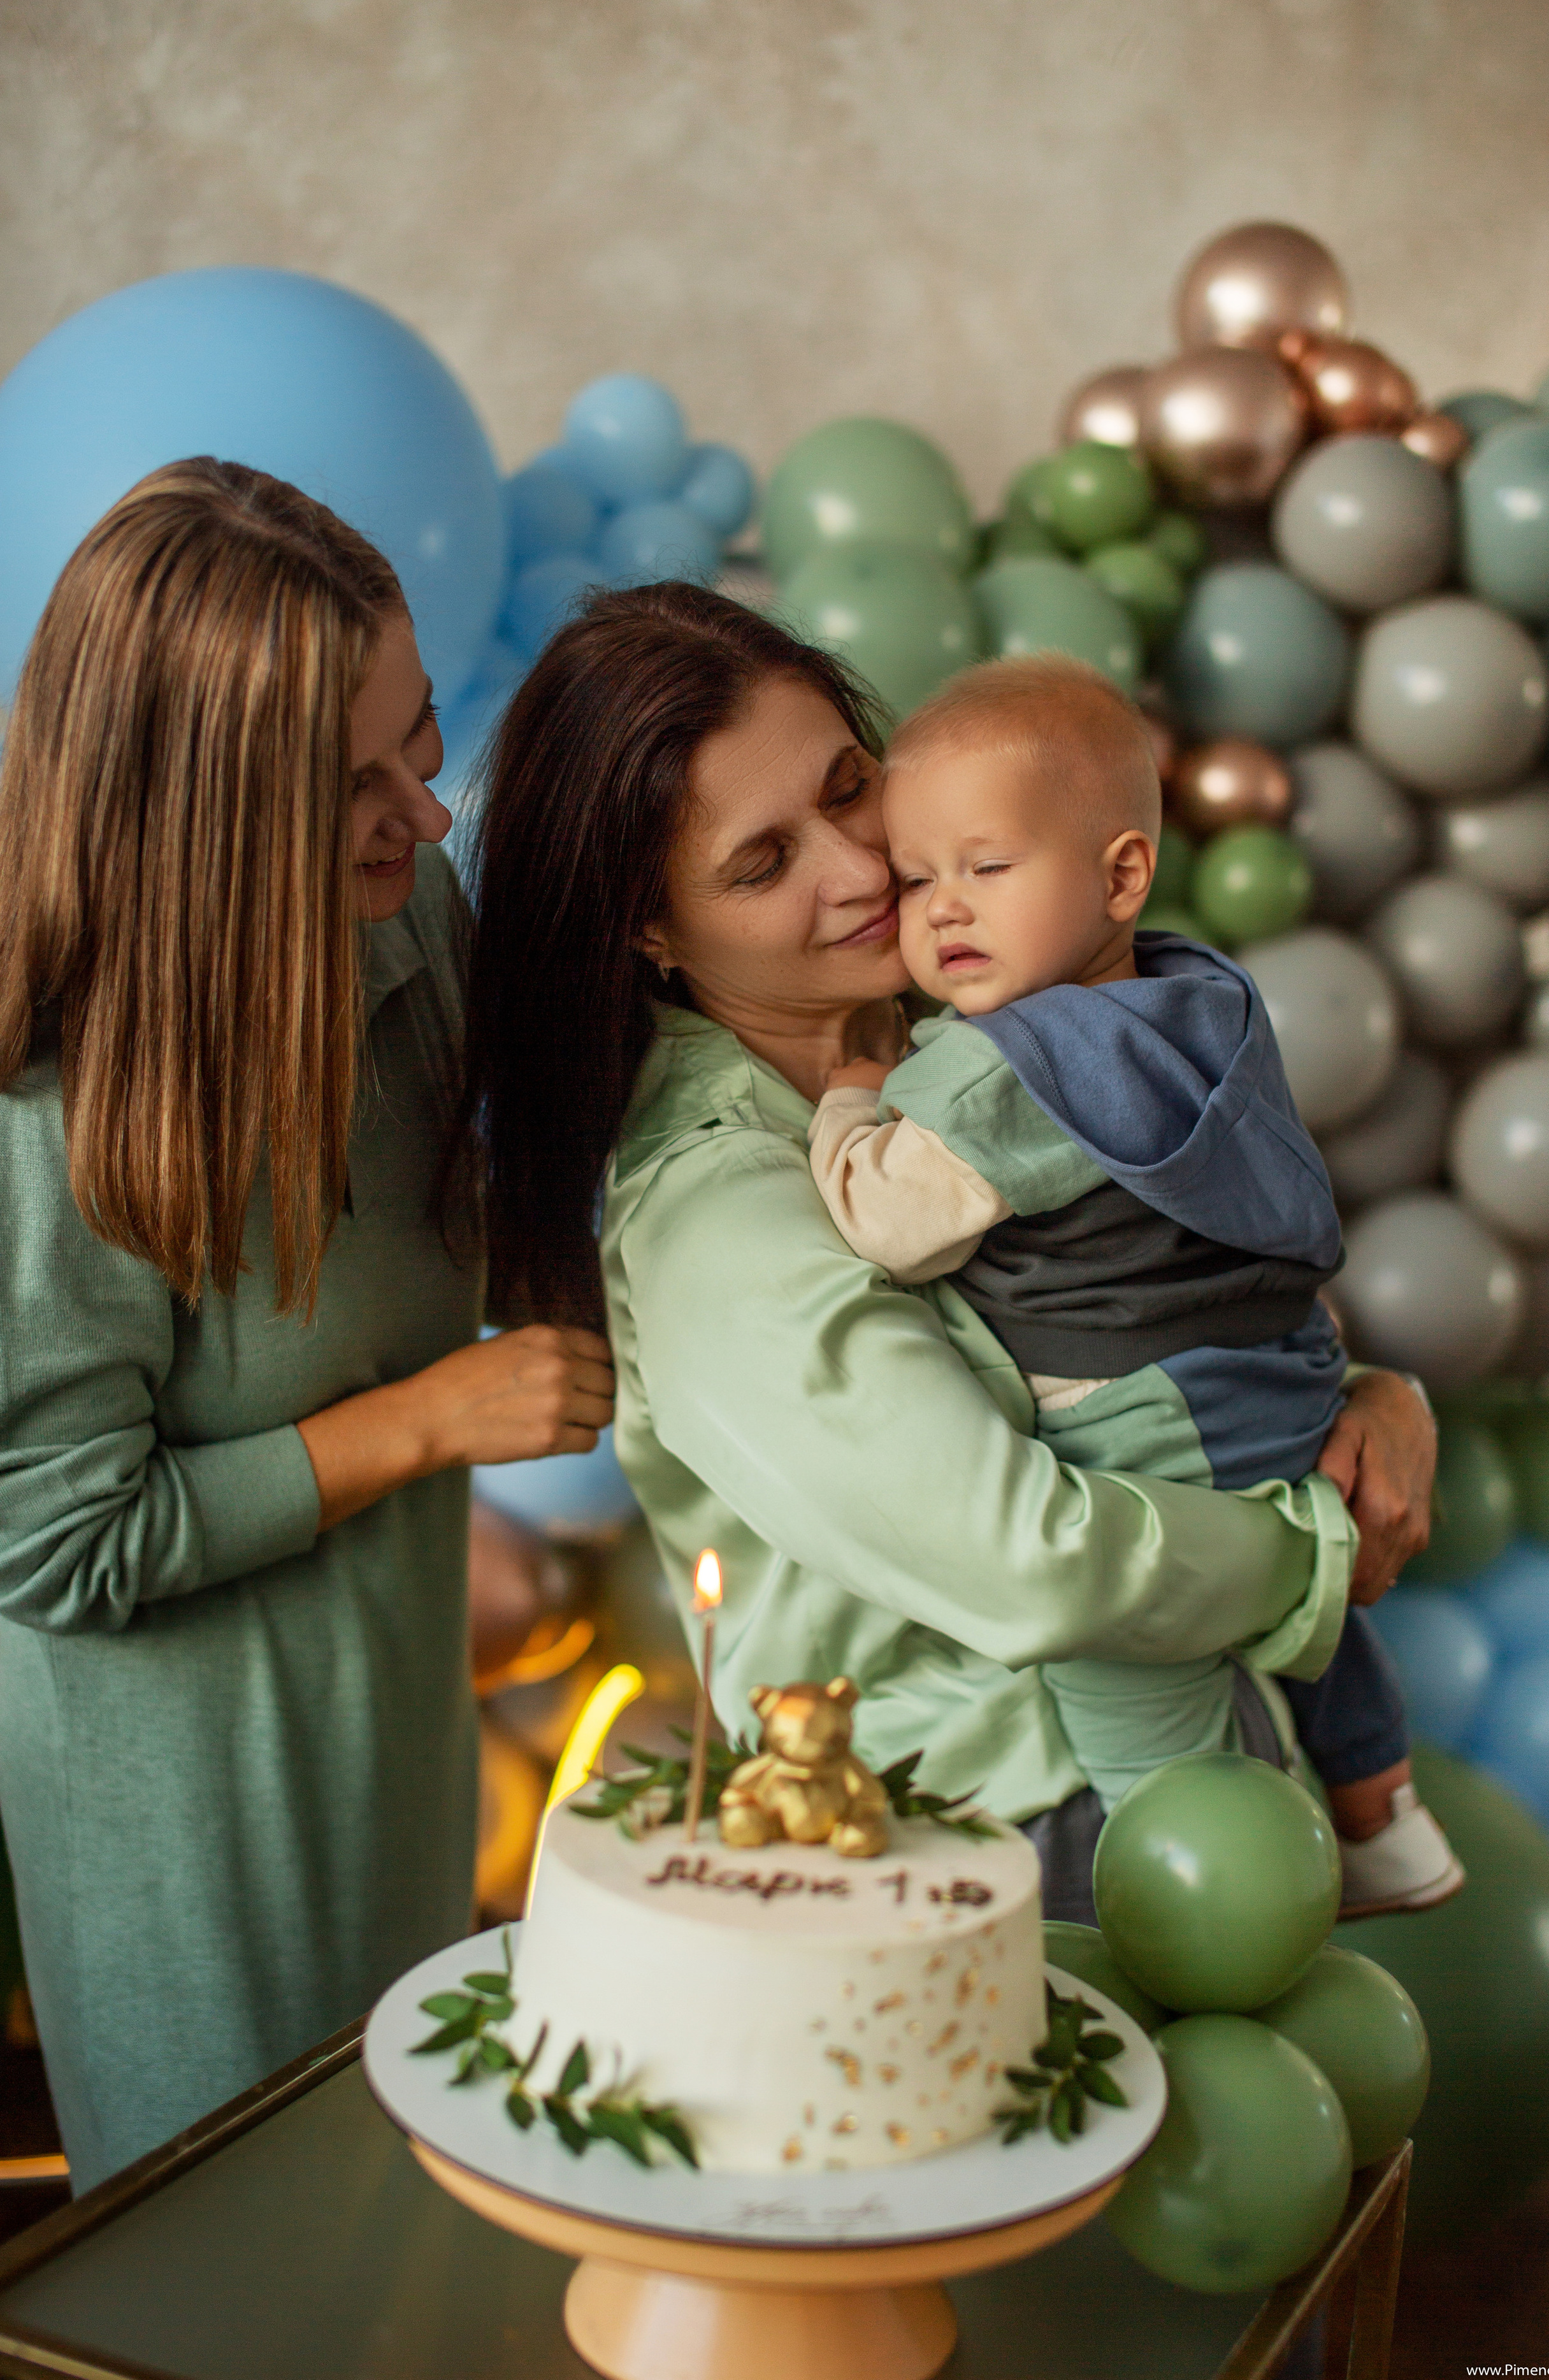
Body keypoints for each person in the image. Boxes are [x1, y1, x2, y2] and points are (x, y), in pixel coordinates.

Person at [460, 581, 1436, 1922]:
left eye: (848, 786)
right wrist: (1314, 1543)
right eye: (762, 862)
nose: (860, 872)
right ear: (649, 931)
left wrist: (1368, 1403)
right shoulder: (712, 1215)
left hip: (1196, 1748)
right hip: (980, 1841)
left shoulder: (977, 1019)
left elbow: (1192, 1275)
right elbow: (1025, 1556)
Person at [0, 460, 614, 2193]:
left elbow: (498, 1227)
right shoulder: (38, 1116)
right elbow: (58, 1547)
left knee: (409, 2226)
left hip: (391, 1729)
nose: (420, 819)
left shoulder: (398, 914)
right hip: (184, 1819)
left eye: (417, 739)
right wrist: (429, 1421)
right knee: (246, 2268)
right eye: (348, 784)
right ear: (196, 821)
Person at [806, 655, 1460, 1917]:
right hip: (1282, 1380)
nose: (940, 912)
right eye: (914, 876)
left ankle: (1203, 1884)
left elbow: (883, 1221)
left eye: (984, 869)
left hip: (1137, 1412)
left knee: (1125, 1663)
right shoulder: (1200, 1000)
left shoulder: (1013, 1062)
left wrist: (846, 1094)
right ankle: (1382, 1811)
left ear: (1118, 873)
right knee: (1316, 1598)